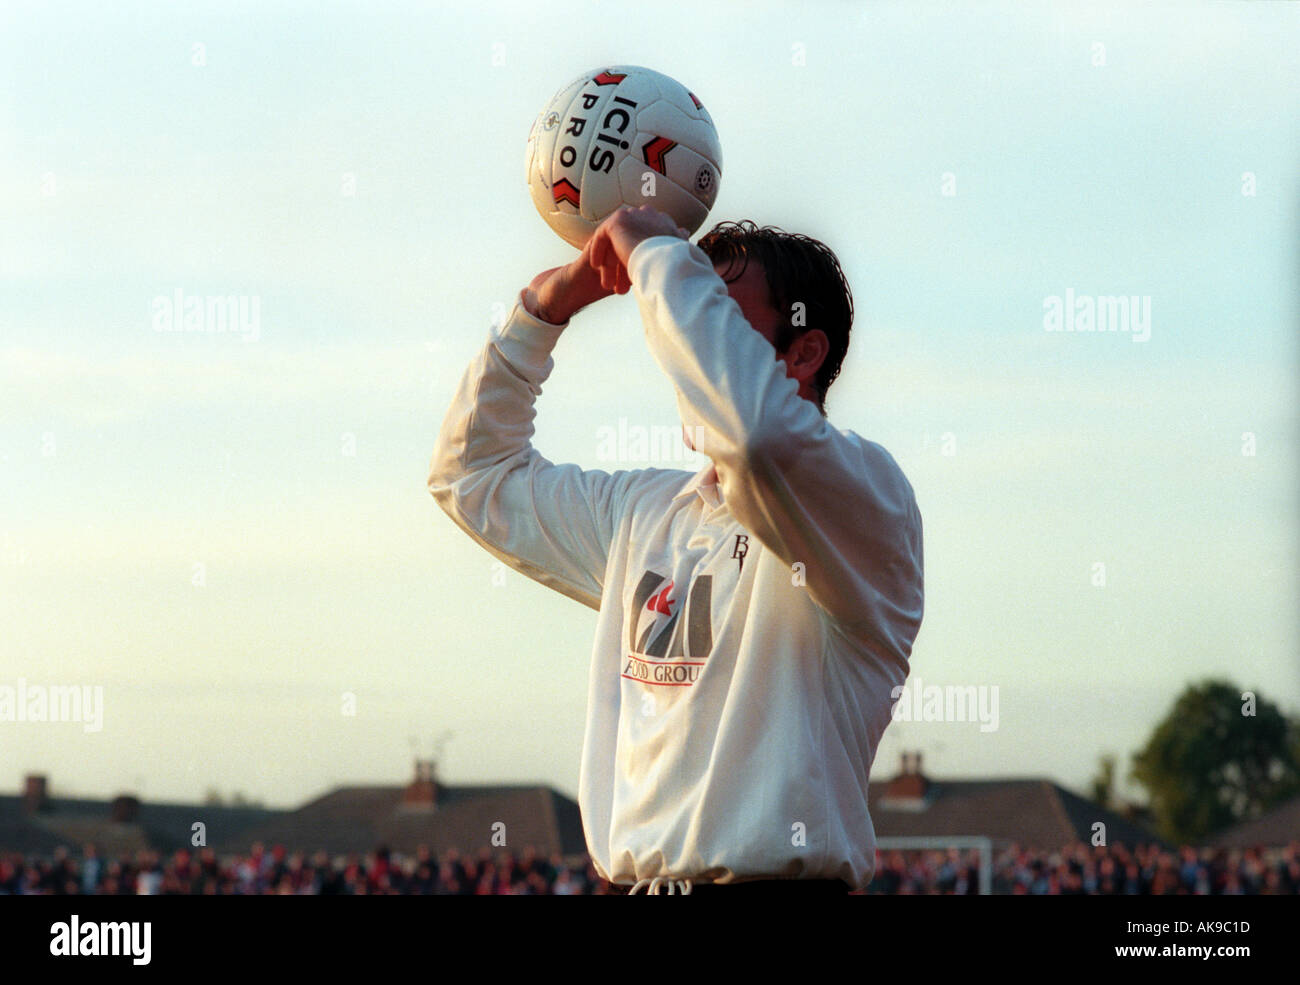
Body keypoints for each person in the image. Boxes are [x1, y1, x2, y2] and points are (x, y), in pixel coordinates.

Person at [428, 205, 924, 894]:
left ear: (804, 353)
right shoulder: (645, 512)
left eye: (716, 309)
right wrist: (542, 313)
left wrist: (654, 250)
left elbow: (756, 435)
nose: (683, 329)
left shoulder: (867, 503)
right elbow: (473, 476)